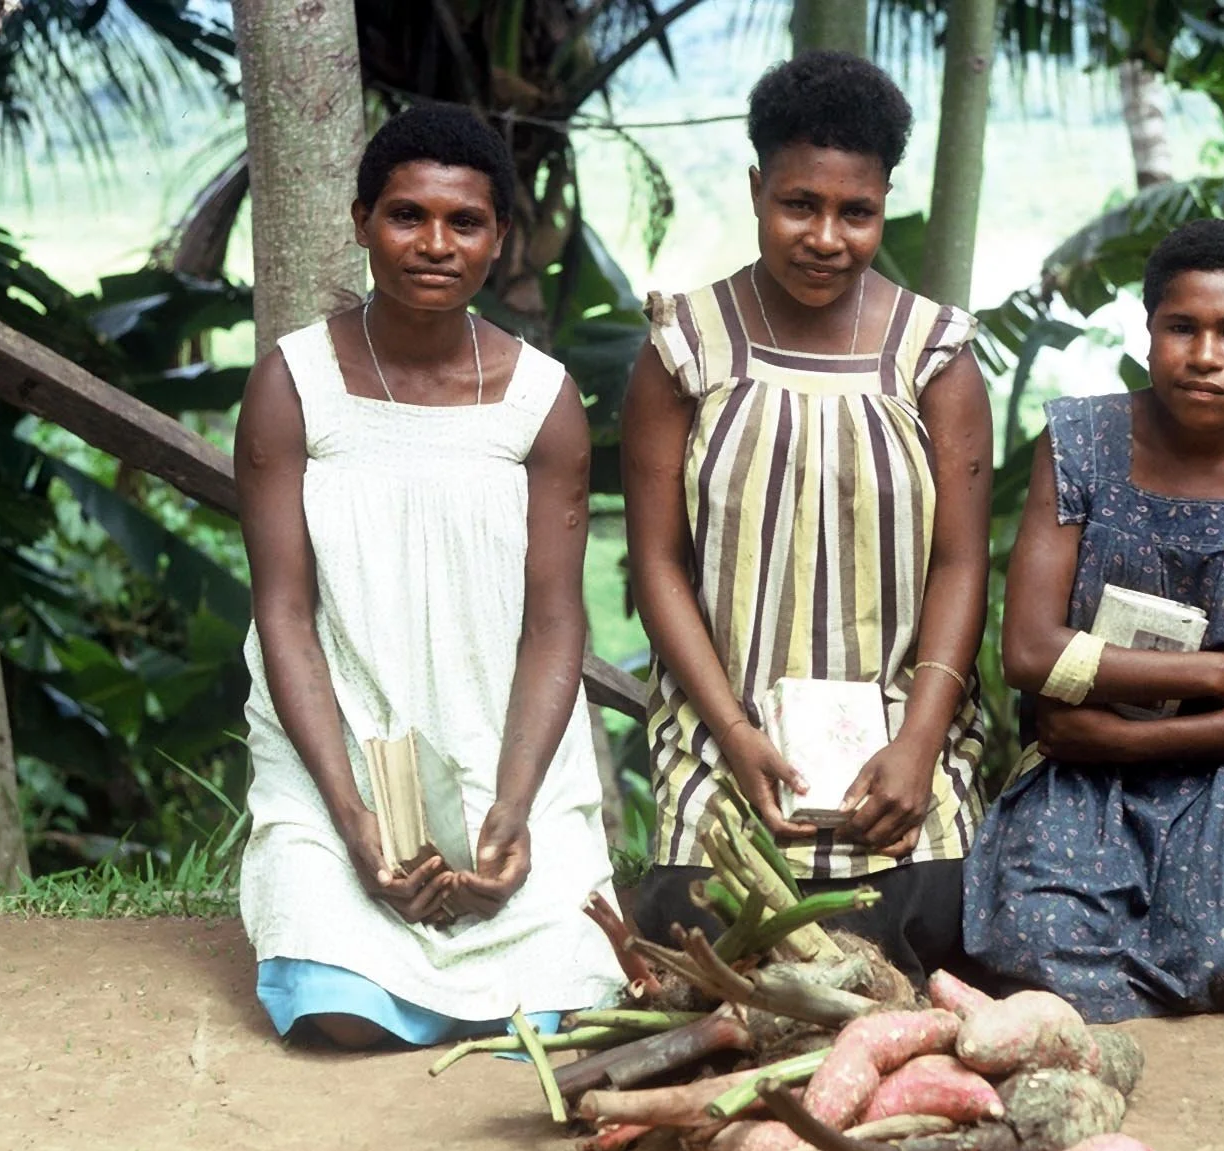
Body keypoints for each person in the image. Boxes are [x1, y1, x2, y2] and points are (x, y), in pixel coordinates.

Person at [233, 102, 623, 1048]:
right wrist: (357, 816)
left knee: (575, 1001)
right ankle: (348, 901)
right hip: (344, 749)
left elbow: (555, 623)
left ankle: (515, 898)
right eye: (407, 216)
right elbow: (284, 612)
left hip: (507, 749)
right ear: (362, 221)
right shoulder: (294, 387)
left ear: (499, 239)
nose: (434, 245)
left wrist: (513, 810)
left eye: (466, 222)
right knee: (337, 1014)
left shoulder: (542, 400)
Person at [620, 52, 994, 984]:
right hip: (725, 733)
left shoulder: (934, 356)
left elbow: (959, 564)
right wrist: (735, 736)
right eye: (799, 204)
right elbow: (658, 561)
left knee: (930, 929)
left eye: (855, 212)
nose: (826, 236)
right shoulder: (685, 348)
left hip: (903, 734)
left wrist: (917, 745)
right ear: (756, 189)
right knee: (706, 934)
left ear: (883, 204)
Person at [962, 218, 1224, 1022]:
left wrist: (1131, 739)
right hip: (1084, 763)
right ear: (1149, 332)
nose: (1205, 354)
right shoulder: (1080, 443)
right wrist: (1213, 673)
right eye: (1181, 327)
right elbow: (1029, 652)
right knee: (1032, 951)